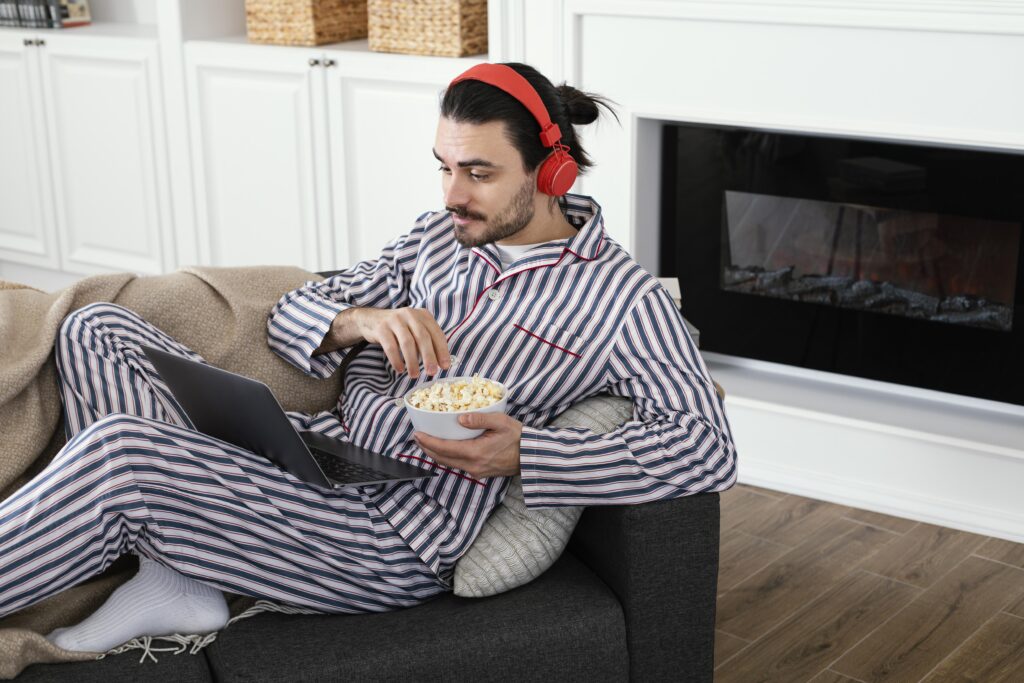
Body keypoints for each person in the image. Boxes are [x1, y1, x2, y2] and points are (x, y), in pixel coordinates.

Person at [0, 62, 737, 654]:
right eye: (443, 166)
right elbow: (296, 315)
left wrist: (530, 456)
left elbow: (706, 446)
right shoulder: (434, 238)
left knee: (122, 453)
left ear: (553, 173)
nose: (453, 193)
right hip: (324, 458)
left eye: (478, 173)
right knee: (94, 326)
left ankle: (175, 550)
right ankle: (178, 574)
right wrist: (362, 321)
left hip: (397, 534)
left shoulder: (623, 301)